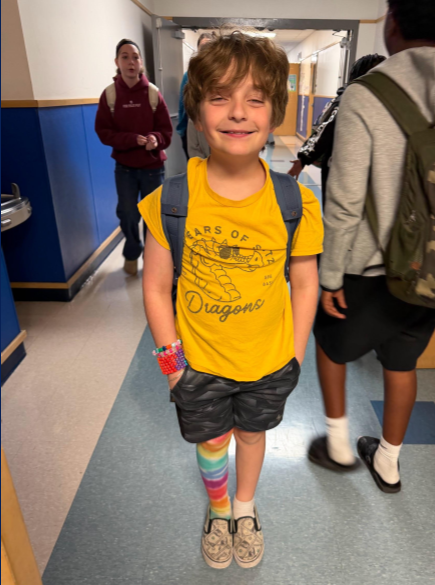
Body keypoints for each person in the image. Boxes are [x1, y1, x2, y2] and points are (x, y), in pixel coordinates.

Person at [138, 30, 323, 569]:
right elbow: (154, 287)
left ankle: (245, 506)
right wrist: (173, 367)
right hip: (197, 363)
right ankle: (218, 511)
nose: (237, 112)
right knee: (211, 440)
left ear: (273, 114)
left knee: (252, 435)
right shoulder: (171, 199)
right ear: (196, 114)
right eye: (219, 96)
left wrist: (295, 353)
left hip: (268, 360)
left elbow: (305, 281)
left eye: (255, 99)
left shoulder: (295, 201)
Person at [309, 0, 435, 494]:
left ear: (394, 22)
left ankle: (339, 446)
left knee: (331, 346)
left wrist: (330, 275)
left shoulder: (366, 95)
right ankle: (388, 462)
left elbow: (343, 200)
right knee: (403, 363)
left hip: (369, 268)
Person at [95, 39, 173, 276]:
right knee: (128, 214)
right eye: (125, 56)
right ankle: (132, 251)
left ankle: (153, 259)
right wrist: (131, 140)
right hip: (125, 168)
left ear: (141, 63)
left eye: (136, 57)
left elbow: (166, 132)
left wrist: (154, 139)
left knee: (154, 217)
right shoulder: (109, 95)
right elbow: (104, 132)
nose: (131, 61)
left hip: (153, 168)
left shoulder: (152, 94)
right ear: (117, 62)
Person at [288, 53, 387, 203]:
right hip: (342, 171)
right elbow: (325, 131)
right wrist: (304, 158)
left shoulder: (383, 102)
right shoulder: (348, 100)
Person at [178, 32, 218, 159]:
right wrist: (182, 131)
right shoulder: (189, 76)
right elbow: (183, 106)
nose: (206, 52)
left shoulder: (222, 77)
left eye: (210, 48)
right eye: (203, 48)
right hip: (194, 130)